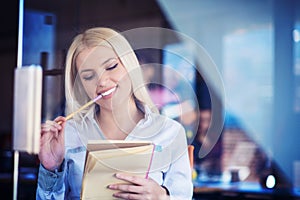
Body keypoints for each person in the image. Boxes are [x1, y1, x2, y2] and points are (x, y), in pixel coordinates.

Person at [36, 27, 193, 200]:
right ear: (81, 85)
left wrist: (163, 196)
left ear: (130, 65)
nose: (102, 81)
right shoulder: (67, 134)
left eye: (111, 67)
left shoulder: (170, 132)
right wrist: (51, 169)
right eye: (88, 76)